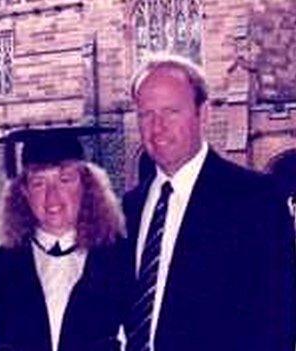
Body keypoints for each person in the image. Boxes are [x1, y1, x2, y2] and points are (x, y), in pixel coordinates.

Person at [123, 53, 296, 351]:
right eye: (146, 114)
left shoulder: (256, 201)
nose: (157, 127)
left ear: (204, 115)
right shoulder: (129, 207)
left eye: (171, 112)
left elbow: (277, 323)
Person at [0, 127, 131, 351]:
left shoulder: (118, 261)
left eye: (65, 180)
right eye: (39, 183)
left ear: (86, 186)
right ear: (24, 193)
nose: (52, 197)